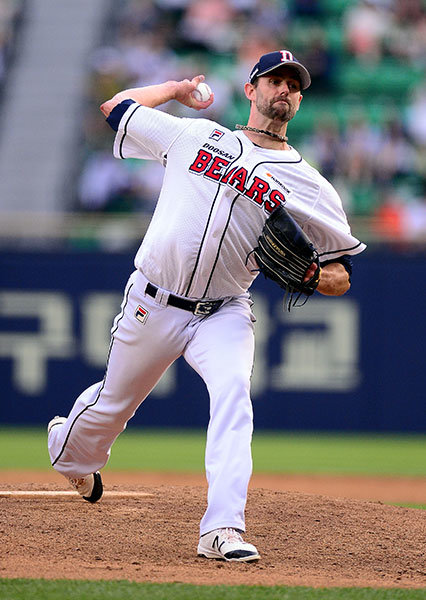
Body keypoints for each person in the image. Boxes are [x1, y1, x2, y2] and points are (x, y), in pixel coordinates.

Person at [48, 50, 366, 562]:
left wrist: (313, 275)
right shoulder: (195, 136)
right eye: (274, 80)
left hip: (224, 310)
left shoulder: (311, 185)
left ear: (300, 101)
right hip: (154, 300)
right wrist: (174, 90)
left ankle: (222, 529)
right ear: (251, 90)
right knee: (112, 405)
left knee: (234, 395)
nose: (284, 89)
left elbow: (341, 276)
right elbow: (116, 107)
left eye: (293, 84)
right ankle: (68, 449)